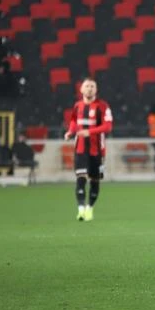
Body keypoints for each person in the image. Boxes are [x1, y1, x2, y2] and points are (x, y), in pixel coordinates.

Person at [64, 78, 113, 221]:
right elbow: (73, 121)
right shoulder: (77, 106)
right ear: (81, 90)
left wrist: (90, 132)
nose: (89, 88)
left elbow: (108, 126)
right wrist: (70, 131)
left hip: (97, 149)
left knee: (95, 180)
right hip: (80, 147)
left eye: (92, 86)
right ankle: (80, 209)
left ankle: (89, 208)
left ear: (96, 90)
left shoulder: (103, 106)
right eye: (87, 86)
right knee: (80, 177)